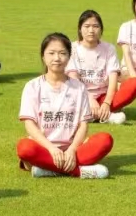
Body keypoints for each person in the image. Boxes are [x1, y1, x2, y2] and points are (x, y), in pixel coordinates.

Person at [16, 32, 113, 178]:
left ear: (69, 57)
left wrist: (72, 150)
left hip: (73, 148)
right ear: (43, 56)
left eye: (62, 53)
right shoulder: (33, 86)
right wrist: (51, 149)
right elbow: (29, 124)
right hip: (43, 147)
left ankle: (47, 169)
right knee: (25, 148)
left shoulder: (79, 87)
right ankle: (79, 171)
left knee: (105, 140)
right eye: (51, 53)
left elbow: (83, 125)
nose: (57, 58)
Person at [69, 10, 136, 125]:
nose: (91, 30)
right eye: (87, 26)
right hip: (80, 95)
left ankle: (94, 114)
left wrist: (106, 103)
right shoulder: (72, 48)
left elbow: (113, 79)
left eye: (95, 26)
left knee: (135, 83)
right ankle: (108, 116)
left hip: (104, 96)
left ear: (101, 29)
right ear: (80, 29)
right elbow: (74, 80)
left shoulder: (109, 48)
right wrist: (90, 99)